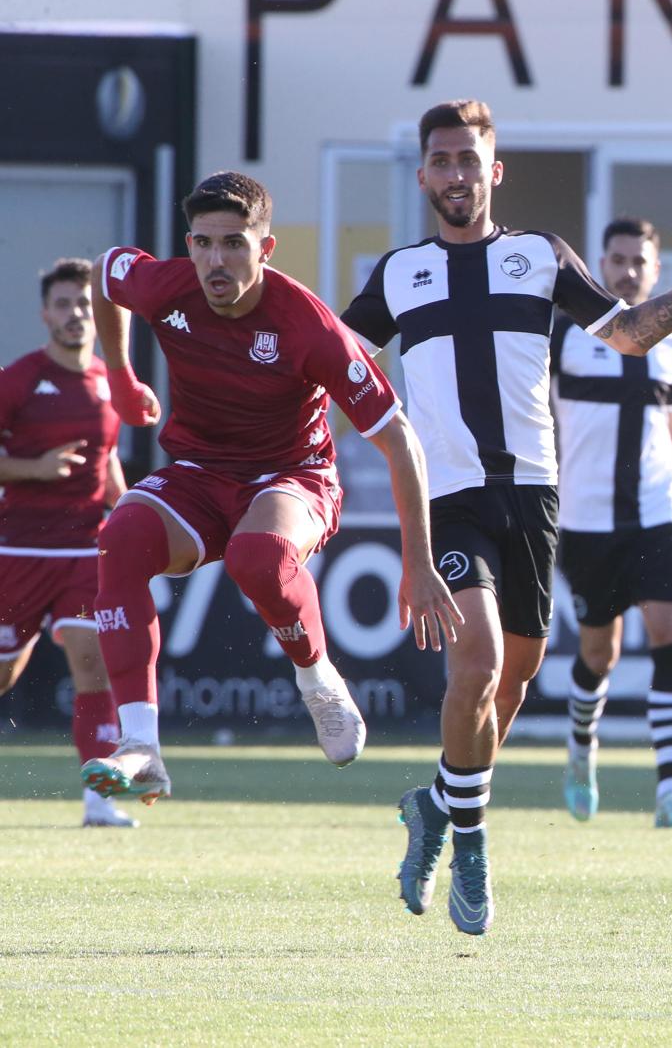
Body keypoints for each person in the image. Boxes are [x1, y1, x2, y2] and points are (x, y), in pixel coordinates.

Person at [341, 99, 672, 935]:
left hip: (533, 499)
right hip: (448, 500)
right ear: (424, 175)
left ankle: (433, 802)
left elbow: (631, 335)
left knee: (515, 683)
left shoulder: (539, 258)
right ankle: (474, 844)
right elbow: (332, 363)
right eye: (442, 160)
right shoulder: (397, 275)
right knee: (479, 663)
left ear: (495, 172)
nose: (457, 173)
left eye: (471, 159)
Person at [82, 171, 461, 809]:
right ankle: (141, 747)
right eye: (202, 242)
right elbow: (102, 273)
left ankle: (317, 680)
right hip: (201, 472)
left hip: (295, 475)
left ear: (266, 247)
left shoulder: (309, 327)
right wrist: (119, 377)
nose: (215, 260)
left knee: (257, 559)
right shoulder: (166, 286)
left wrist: (418, 562)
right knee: (120, 538)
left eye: (234, 243)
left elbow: (401, 442)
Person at [550, 216, 672, 829]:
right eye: (617, 260)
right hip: (586, 518)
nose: (627, 271)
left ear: (654, 268)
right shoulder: (564, 335)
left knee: (671, 632)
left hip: (656, 510)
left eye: (638, 261)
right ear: (601, 263)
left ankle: (670, 790)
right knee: (601, 652)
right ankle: (580, 747)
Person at [0, 258, 134, 827]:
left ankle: (99, 801)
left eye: (84, 304)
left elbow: (107, 463)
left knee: (93, 662)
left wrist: (129, 515)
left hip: (86, 548)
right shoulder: (21, 378)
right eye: (64, 305)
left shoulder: (110, 380)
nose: (76, 314)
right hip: (19, 551)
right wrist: (34, 467)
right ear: (45, 314)